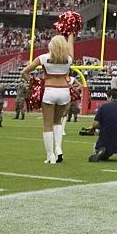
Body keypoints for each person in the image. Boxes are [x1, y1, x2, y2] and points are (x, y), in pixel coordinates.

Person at [20, 32, 77, 164]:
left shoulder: (43, 58)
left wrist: (33, 83)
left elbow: (24, 72)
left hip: (50, 90)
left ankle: (50, 155)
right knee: (58, 122)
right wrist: (70, 33)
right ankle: (58, 149)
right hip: (64, 91)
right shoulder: (69, 59)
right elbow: (70, 45)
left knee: (47, 124)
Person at [88, 89, 117, 162]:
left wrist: (94, 128)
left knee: (102, 134)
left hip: (107, 138)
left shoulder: (104, 107)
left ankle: (101, 150)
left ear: (110, 97)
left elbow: (95, 124)